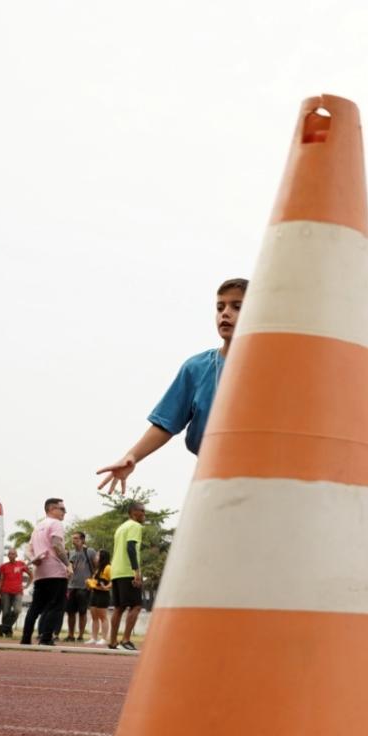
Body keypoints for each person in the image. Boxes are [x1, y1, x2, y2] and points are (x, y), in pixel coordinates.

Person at [95, 278, 247, 493]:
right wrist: (132, 456)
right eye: (220, 307)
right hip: (212, 476)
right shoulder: (197, 368)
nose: (225, 313)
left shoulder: (279, 366)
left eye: (237, 307)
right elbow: (166, 422)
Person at [21, 498, 71, 646]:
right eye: (62, 509)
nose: (64, 512)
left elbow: (28, 549)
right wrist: (68, 565)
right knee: (56, 606)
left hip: (40, 572)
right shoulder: (56, 524)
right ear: (51, 509)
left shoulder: (38, 526)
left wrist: (33, 559)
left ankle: (25, 638)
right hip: (55, 571)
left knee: (35, 606)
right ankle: (46, 638)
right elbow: (57, 545)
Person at [107, 502, 147, 651]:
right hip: (127, 571)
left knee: (119, 607)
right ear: (134, 512)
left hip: (116, 571)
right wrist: (136, 571)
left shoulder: (121, 527)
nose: (144, 514)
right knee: (136, 606)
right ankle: (126, 639)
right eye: (142, 511)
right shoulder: (135, 526)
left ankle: (112, 641)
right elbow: (131, 548)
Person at [64, 531, 95, 643]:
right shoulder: (71, 553)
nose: (74, 540)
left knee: (82, 612)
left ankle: (81, 635)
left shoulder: (90, 551)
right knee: (70, 612)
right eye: (73, 538)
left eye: (76, 538)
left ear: (82, 540)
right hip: (71, 586)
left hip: (84, 587)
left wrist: (93, 582)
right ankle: (70, 635)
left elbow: (96, 566)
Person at [0, 547, 29, 638]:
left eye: (13, 553)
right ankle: (7, 632)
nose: (11, 555)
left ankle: (3, 627)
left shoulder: (21, 564)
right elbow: (1, 580)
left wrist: (27, 585)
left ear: (16, 555)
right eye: (9, 554)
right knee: (6, 612)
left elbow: (31, 574)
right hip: (5, 592)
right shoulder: (3, 566)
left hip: (18, 592)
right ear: (7, 555)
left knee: (17, 610)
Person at [86, 549, 112, 646]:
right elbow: (94, 582)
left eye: (97, 555)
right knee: (94, 616)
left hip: (103, 594)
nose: (95, 557)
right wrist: (89, 584)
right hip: (94, 593)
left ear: (103, 557)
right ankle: (94, 637)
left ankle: (104, 638)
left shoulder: (108, 568)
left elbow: (112, 581)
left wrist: (105, 587)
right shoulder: (97, 569)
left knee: (103, 616)